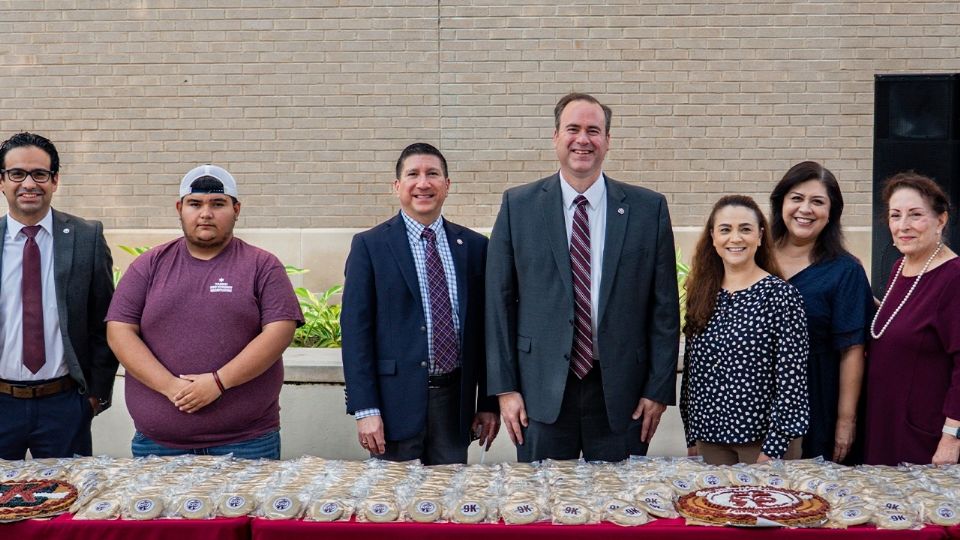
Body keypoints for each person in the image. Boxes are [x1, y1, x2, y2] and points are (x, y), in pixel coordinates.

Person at [486, 93, 680, 462]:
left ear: (608, 141)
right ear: (555, 137)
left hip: (623, 396)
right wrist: (505, 389)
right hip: (539, 393)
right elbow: (498, 303)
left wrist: (657, 390)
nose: (583, 139)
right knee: (543, 509)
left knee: (619, 510)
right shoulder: (519, 206)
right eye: (572, 129)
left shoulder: (648, 209)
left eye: (594, 130)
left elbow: (664, 310)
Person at [106, 165, 303, 459]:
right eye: (195, 203)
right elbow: (119, 331)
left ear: (236, 209)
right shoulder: (148, 266)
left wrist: (219, 382)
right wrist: (171, 387)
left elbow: (279, 330)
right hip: (158, 447)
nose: (205, 213)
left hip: (247, 443)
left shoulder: (262, 266)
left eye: (218, 204)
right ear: (180, 208)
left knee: (244, 509)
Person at [341, 143, 499, 464]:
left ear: (447, 185)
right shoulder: (370, 246)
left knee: (447, 502)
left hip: (455, 406)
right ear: (397, 186)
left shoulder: (474, 247)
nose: (423, 183)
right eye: (412, 174)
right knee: (393, 506)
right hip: (393, 406)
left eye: (433, 174)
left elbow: (487, 333)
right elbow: (356, 334)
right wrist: (365, 409)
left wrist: (488, 403)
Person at [0, 132, 117, 459]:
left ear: (55, 180)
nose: (28, 183)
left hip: (64, 405)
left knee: (65, 502)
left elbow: (106, 322)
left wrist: (94, 396)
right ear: (2, 181)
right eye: (17, 174)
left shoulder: (86, 237)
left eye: (39, 174)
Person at [680, 195, 809, 465]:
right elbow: (693, 374)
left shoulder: (781, 296)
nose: (735, 238)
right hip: (710, 442)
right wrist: (692, 435)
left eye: (745, 229)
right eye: (725, 229)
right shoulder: (702, 295)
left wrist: (773, 448)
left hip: (763, 445)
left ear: (760, 236)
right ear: (713, 237)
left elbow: (792, 380)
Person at [769, 162, 873, 463]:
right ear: (781, 203)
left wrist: (845, 420)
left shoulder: (845, 270)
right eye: (797, 198)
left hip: (817, 397)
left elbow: (852, 350)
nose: (805, 209)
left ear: (831, 212)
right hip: (755, 398)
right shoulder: (755, 257)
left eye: (818, 201)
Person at [865, 172, 960, 466]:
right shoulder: (899, 267)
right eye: (896, 215)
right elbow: (899, 322)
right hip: (884, 421)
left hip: (923, 434)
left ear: (940, 220)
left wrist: (951, 438)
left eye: (916, 215)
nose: (903, 226)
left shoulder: (953, 277)